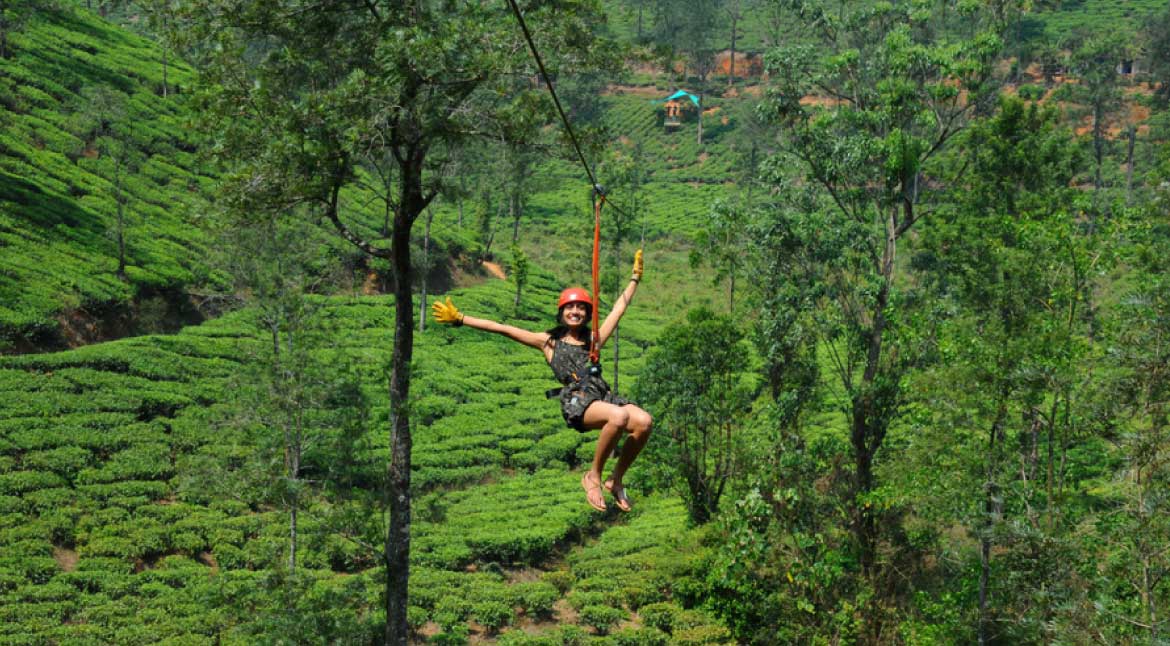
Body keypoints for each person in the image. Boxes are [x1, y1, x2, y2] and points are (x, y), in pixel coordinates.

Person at [430, 250, 652, 512]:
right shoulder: (548, 342)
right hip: (578, 401)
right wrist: (461, 319)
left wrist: (635, 278)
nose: (576, 311)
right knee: (618, 417)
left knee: (644, 422)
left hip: (602, 395)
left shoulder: (593, 340)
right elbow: (504, 328)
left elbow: (619, 309)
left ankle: (615, 479)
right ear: (562, 313)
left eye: (581, 307)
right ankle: (592, 476)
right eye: (570, 307)